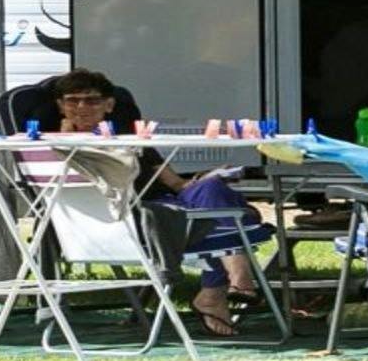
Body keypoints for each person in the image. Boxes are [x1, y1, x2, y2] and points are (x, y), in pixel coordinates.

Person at [46, 70, 267, 338]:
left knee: (213, 190)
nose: (82, 107)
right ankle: (230, 282)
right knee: (235, 219)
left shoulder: (128, 136)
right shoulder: (49, 145)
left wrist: (193, 182)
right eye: (72, 100)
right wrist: (67, 137)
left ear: (109, 105)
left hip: (168, 203)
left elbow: (169, 178)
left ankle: (225, 285)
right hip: (132, 217)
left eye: (92, 100)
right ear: (61, 106)